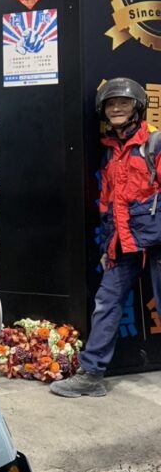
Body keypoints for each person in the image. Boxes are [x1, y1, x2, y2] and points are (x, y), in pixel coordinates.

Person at [52, 77, 161, 398]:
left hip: (157, 242)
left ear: (138, 107)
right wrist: (108, 246)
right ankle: (91, 374)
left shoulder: (155, 144)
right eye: (111, 104)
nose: (116, 108)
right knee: (106, 303)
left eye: (124, 102)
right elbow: (108, 204)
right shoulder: (112, 154)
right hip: (123, 244)